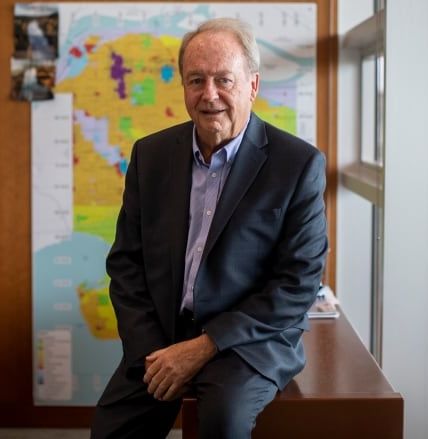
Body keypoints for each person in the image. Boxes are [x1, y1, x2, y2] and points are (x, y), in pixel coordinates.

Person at [90, 17, 328, 439]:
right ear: (182, 86)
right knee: (111, 429)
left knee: (222, 423)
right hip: (162, 333)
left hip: (246, 341)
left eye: (224, 79)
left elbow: (298, 283)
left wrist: (203, 347)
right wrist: (151, 352)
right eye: (196, 80)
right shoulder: (151, 155)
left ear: (253, 86)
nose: (209, 94)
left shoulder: (298, 166)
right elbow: (126, 264)